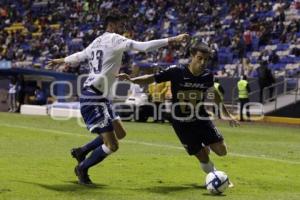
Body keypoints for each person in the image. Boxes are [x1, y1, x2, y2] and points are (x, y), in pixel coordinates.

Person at [47, 10, 189, 185]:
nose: (123, 27)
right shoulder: (115, 39)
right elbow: (143, 47)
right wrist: (172, 40)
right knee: (113, 145)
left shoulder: (97, 41)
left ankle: (82, 151)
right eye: (121, 23)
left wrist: (59, 60)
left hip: (101, 96)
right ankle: (82, 168)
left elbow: (78, 56)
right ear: (112, 24)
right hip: (93, 97)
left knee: (120, 132)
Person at [117, 42, 239, 185]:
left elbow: (215, 94)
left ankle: (206, 149)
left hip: (200, 118)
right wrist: (132, 79)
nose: (203, 62)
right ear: (192, 56)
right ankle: (217, 178)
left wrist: (227, 114)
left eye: (206, 59)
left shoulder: (207, 76)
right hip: (181, 122)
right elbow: (152, 78)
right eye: (199, 58)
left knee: (222, 151)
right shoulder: (176, 71)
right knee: (202, 157)